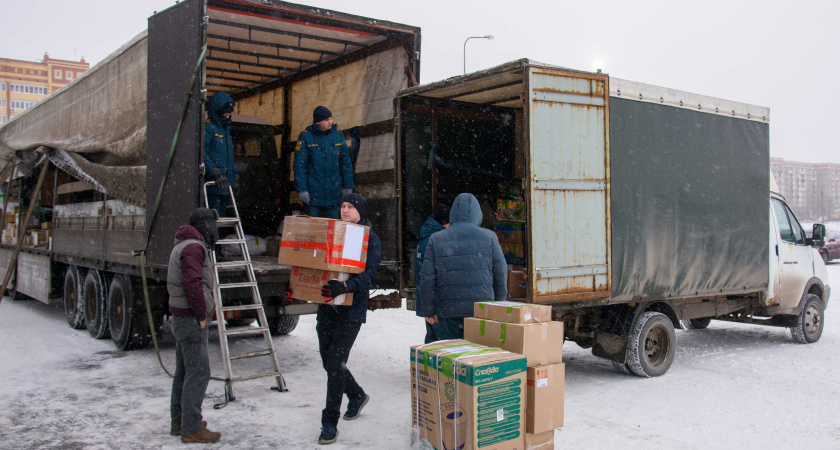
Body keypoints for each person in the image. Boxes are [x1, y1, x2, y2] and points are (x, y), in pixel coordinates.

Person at [316, 193, 381, 445]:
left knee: (335, 364)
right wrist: (299, 289)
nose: (344, 210)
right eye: (342, 206)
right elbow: (315, 266)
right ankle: (356, 395)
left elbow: (370, 274)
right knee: (328, 362)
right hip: (327, 308)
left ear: (360, 211)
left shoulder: (370, 240)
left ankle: (329, 423)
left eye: (350, 206)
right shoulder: (332, 235)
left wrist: (346, 287)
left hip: (351, 312)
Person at [419, 193, 507, 339]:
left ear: (453, 214)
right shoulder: (490, 237)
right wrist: (498, 305)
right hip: (482, 310)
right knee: (479, 355)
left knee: (456, 356)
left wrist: (428, 310)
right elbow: (500, 274)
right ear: (477, 214)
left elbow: (427, 278)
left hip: (450, 310)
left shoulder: (436, 239)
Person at [167, 208, 222, 444]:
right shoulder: (193, 247)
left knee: (184, 372)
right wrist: (201, 314)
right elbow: (192, 284)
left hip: (182, 317)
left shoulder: (185, 244)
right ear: (204, 226)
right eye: (212, 225)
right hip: (190, 318)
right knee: (198, 372)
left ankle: (180, 422)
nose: (215, 230)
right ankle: (191, 427)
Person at [293, 106, 355, 219]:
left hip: (334, 193)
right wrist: (302, 189)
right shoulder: (306, 137)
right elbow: (300, 166)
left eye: (331, 118)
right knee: (312, 230)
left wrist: (348, 186)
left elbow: (345, 163)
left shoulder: (338, 135)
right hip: (313, 194)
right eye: (326, 120)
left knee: (333, 229)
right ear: (318, 122)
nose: (330, 122)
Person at [415, 203, 451, 343]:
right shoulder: (435, 240)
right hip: (435, 302)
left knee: (433, 340)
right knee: (441, 342)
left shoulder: (427, 236)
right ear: (445, 223)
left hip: (429, 301)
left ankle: (426, 364)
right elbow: (430, 277)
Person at [204, 91, 236, 219]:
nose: (229, 114)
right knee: (214, 217)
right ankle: (213, 238)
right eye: (226, 111)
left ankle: (219, 237)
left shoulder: (225, 130)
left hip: (225, 183)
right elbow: (203, 153)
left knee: (222, 217)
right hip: (213, 183)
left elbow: (229, 157)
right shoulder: (209, 128)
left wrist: (234, 176)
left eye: (230, 111)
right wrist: (215, 171)